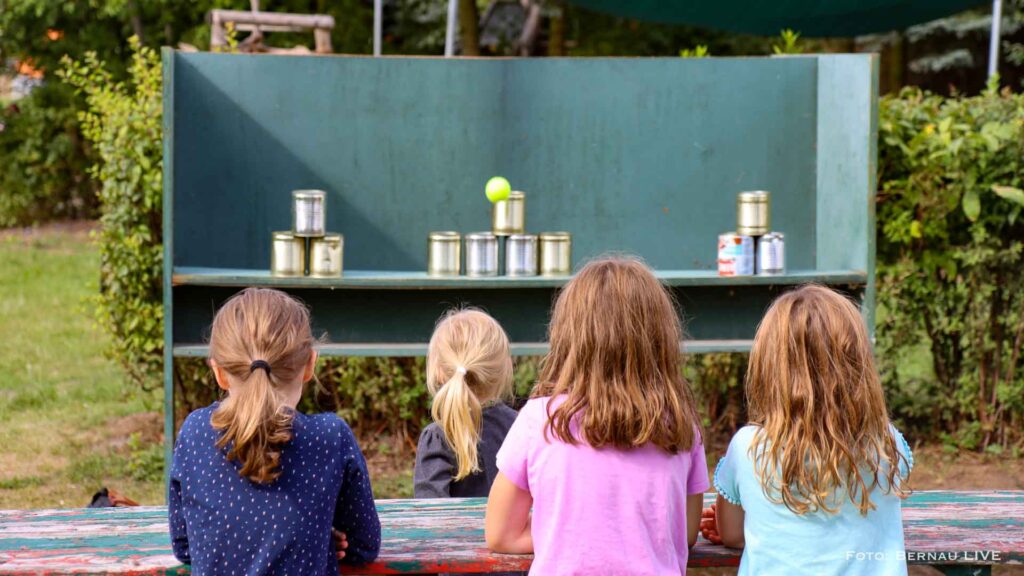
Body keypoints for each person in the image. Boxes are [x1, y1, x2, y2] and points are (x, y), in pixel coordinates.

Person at [485, 256, 709, 575]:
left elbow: (501, 533)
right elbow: (683, 534)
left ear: (568, 336)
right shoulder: (681, 426)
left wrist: (564, 532)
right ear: (662, 338)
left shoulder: (539, 420)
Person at [701, 284, 913, 576]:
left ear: (768, 366)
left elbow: (733, 535)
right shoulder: (886, 443)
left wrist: (730, 523)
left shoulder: (747, 447)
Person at [168, 287, 381, 575]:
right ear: (309, 365)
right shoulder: (331, 437)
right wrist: (311, 534)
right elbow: (363, 545)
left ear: (219, 373)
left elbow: (185, 546)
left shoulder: (195, 433)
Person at [414, 309, 517, 498]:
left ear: (438, 371)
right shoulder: (523, 428)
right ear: (505, 367)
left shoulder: (437, 437)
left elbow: (431, 518)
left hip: (456, 528)